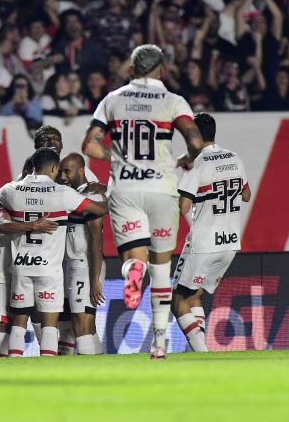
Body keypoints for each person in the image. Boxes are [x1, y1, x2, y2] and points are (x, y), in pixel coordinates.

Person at [82, 44, 204, 359]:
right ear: (162, 71)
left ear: (131, 70)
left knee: (134, 259)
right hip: (162, 189)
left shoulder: (113, 99)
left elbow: (90, 146)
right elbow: (194, 140)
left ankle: (133, 269)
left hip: (124, 188)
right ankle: (160, 344)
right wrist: (187, 159)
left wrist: (117, 157)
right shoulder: (173, 101)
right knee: (161, 270)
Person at [0, 148, 108, 357]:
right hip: (50, 268)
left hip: (21, 266)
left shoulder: (11, 190)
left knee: (19, 323)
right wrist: (107, 192)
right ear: (54, 168)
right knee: (51, 325)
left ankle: (12, 370)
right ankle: (49, 366)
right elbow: (101, 210)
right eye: (61, 171)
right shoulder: (62, 194)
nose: (63, 177)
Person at [172, 113, 250, 352]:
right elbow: (246, 196)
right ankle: (202, 352)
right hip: (230, 243)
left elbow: (182, 207)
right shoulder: (234, 158)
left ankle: (202, 354)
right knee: (194, 297)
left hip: (204, 243)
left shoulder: (198, 163)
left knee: (178, 301)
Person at [0, 157, 58, 358]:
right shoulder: (10, 195)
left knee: (15, 326)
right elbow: (2, 223)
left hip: (15, 270)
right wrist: (34, 225)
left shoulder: (24, 197)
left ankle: (6, 377)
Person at [58, 153, 106, 355]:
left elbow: (96, 240)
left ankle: (92, 373)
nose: (62, 176)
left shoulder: (91, 196)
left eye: (67, 171)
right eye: (61, 171)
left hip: (85, 265)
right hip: (72, 264)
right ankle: (101, 364)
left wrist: (94, 279)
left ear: (80, 170)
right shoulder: (72, 194)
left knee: (81, 322)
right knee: (82, 321)